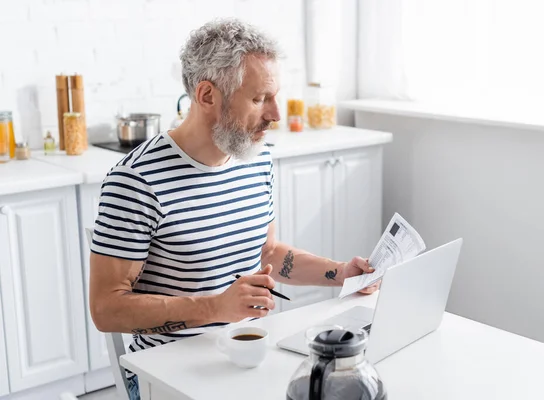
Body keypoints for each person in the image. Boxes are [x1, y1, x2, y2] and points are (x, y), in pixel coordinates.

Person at [89, 18, 379, 400]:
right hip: (168, 374)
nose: (275, 114)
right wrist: (215, 307)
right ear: (207, 95)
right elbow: (106, 308)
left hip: (252, 355)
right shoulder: (136, 181)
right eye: (260, 99)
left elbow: (268, 252)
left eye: (274, 96)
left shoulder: (256, 159)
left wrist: (340, 274)